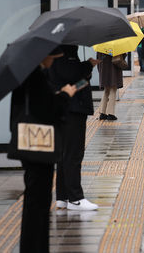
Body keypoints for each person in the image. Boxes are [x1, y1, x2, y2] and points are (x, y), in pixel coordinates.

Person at [9, 47, 77, 253]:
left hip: (27, 144)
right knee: (38, 201)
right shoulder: (36, 77)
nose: (53, 62)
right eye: (52, 58)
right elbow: (48, 111)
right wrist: (65, 95)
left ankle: (33, 246)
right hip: (38, 147)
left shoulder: (26, 75)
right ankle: (36, 247)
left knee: (34, 200)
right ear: (43, 56)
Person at [49, 45, 100, 211]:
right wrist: (88, 65)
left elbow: (74, 84)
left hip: (68, 107)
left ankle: (63, 197)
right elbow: (70, 75)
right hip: (73, 109)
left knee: (65, 154)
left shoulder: (60, 52)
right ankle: (75, 198)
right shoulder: (65, 53)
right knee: (73, 153)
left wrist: (86, 72)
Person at [97, 52, 122, 120]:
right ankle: (111, 113)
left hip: (103, 69)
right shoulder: (114, 43)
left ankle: (102, 113)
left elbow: (98, 58)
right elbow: (120, 57)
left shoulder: (100, 46)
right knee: (113, 90)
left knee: (106, 90)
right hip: (113, 69)